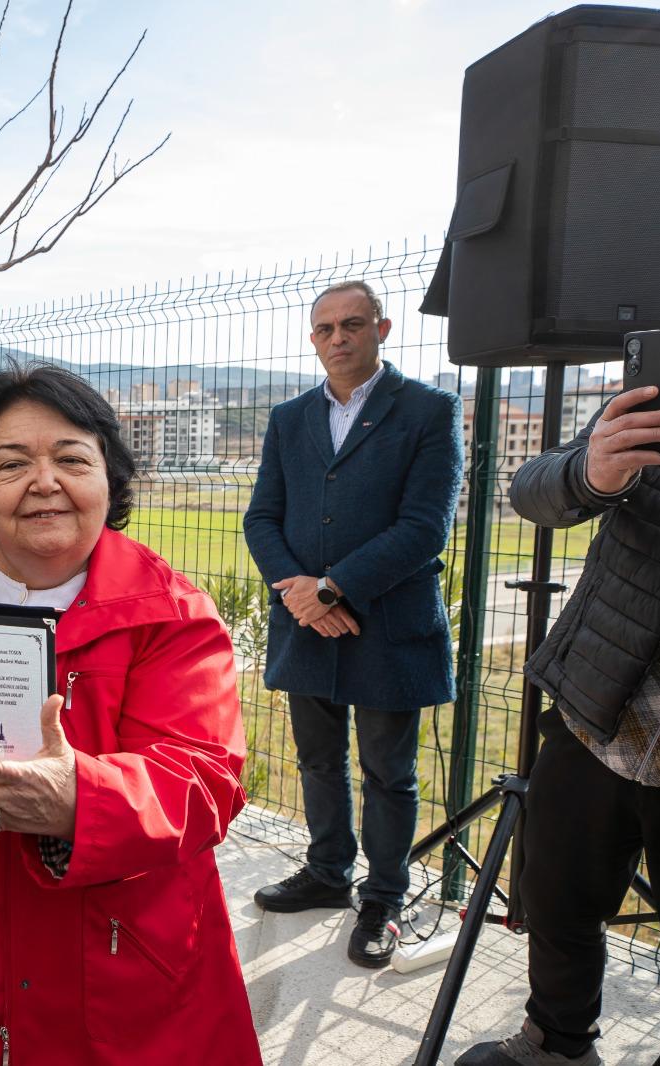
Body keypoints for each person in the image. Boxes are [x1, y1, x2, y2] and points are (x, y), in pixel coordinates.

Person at [0, 364, 261, 1064]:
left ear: (110, 478)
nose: (44, 482)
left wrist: (79, 800)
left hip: (114, 968)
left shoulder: (168, 613)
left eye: (71, 459)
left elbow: (202, 778)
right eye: (11, 464)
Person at [456, 384, 660, 1066]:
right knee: (554, 898)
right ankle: (555, 1044)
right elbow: (533, 489)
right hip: (599, 712)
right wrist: (591, 472)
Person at [243, 279, 463, 967]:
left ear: (383, 328)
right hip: (305, 621)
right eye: (324, 329)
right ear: (312, 339)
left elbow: (427, 527)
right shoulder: (290, 418)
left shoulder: (429, 409)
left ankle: (385, 898)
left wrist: (334, 590)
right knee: (316, 758)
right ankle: (328, 873)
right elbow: (262, 518)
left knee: (387, 772)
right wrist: (301, 596)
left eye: (352, 324)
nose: (338, 338)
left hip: (386, 623)